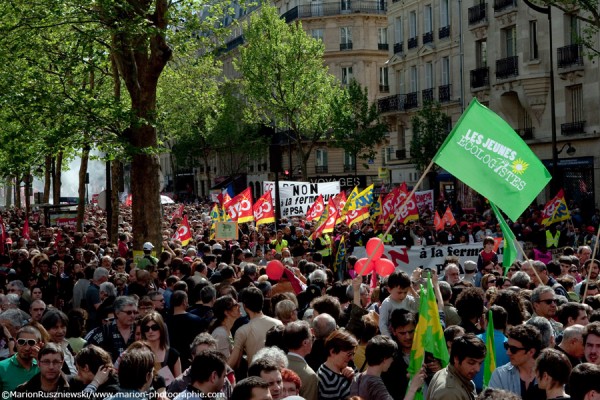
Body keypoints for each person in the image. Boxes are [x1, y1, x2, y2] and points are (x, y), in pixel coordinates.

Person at [229, 287, 283, 368]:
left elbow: (233, 362)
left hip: (255, 376)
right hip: (277, 374)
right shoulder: (278, 323)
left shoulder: (242, 331)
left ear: (244, 306)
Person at [488, 324, 545, 399]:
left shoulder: (548, 375)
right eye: (506, 346)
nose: (508, 352)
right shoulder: (500, 375)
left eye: (513, 349)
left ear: (531, 352)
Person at [427, 334, 486, 400]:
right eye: (471, 363)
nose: (477, 369)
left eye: (480, 363)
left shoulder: (456, 375)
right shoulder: (450, 392)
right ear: (456, 359)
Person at [85, 296, 137, 362]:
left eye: (135, 312)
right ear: (117, 313)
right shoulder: (103, 332)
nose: (132, 315)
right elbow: (88, 356)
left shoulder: (141, 330)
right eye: (129, 312)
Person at [140, 311, 182, 386]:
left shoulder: (173, 354)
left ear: (161, 328)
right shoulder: (139, 353)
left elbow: (178, 384)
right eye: (146, 328)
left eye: (154, 327)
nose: (150, 331)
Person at [167, 290, 205, 371]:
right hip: (191, 360)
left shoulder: (165, 322)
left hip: (171, 362)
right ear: (184, 301)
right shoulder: (196, 320)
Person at [350, 335, 396, 400]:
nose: (392, 360)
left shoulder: (356, 378)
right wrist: (412, 388)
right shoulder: (375, 384)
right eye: (392, 356)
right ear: (384, 359)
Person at [317, 329, 358, 400]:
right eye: (349, 354)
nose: (352, 358)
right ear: (332, 352)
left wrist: (352, 378)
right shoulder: (329, 382)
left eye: (353, 354)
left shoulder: (343, 368)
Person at [0, 326, 42, 393]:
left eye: (31, 343)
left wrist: (41, 361)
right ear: (16, 343)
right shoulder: (1, 367)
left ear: (39, 345)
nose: (27, 348)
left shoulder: (45, 368)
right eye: (22, 342)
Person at [283, 320, 318, 400]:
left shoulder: (277, 365)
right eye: (312, 337)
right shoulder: (309, 376)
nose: (313, 340)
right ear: (305, 343)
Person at [378, 270, 419, 337]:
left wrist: (412, 290)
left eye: (405, 292)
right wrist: (390, 340)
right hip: (394, 337)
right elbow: (383, 325)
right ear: (389, 290)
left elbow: (419, 307)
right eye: (399, 292)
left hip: (408, 335)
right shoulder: (387, 303)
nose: (402, 295)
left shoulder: (408, 299)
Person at [40, 309, 78, 375]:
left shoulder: (66, 345)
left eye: (63, 327)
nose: (60, 331)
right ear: (45, 330)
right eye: (55, 328)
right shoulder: (45, 350)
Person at [210, 295, 241, 359]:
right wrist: (238, 349)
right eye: (235, 305)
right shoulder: (221, 334)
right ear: (226, 312)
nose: (239, 306)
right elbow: (225, 364)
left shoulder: (226, 330)